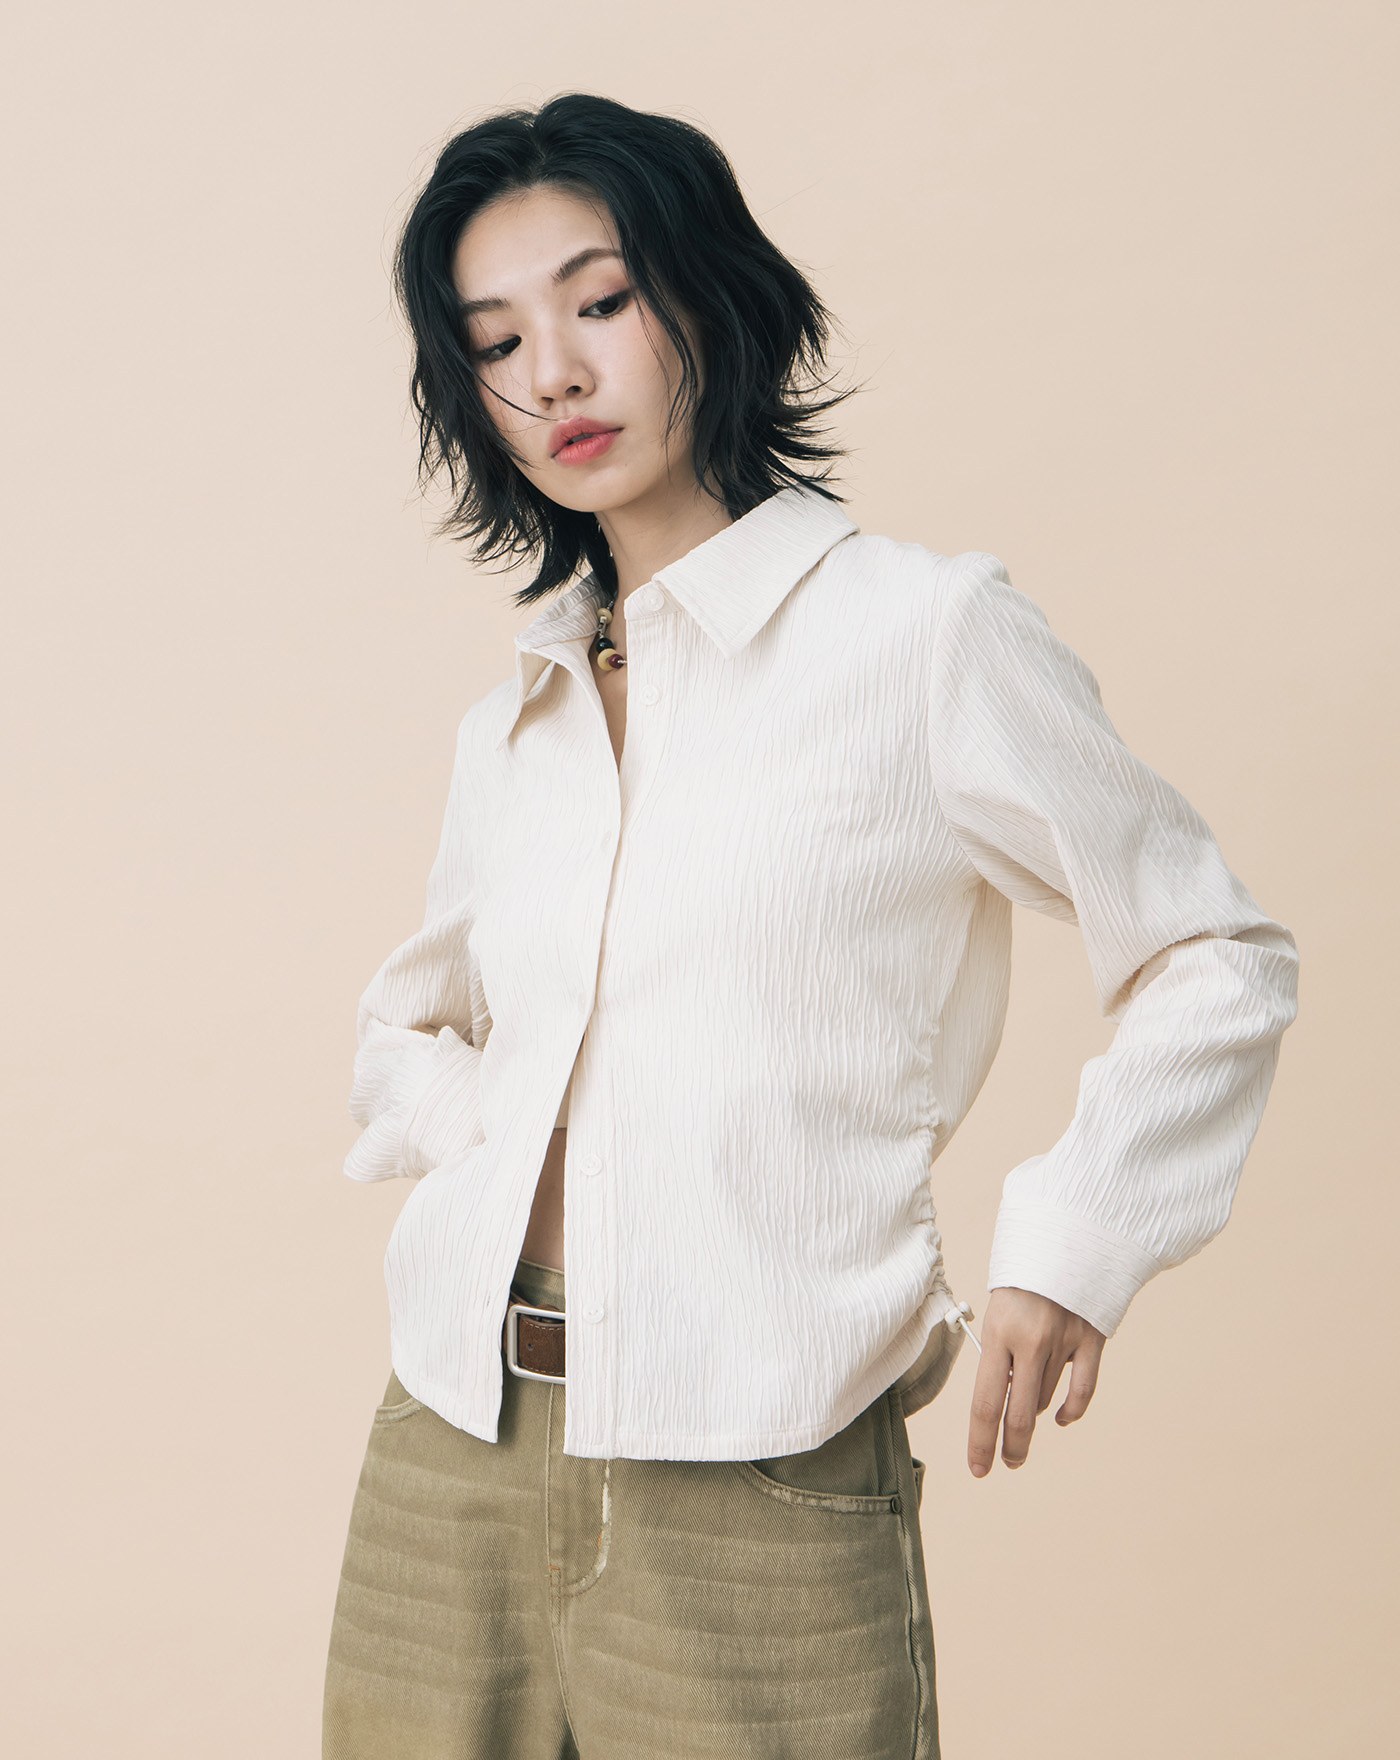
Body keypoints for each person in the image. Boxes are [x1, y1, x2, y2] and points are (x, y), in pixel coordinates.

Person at [321, 92, 1300, 1760]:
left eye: (600, 302)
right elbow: (408, 1026)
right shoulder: (523, 715)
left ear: (711, 298)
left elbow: (1213, 954)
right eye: (495, 343)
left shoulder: (921, 637)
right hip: (450, 1442)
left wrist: (1076, 1243)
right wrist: (496, 1128)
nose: (553, 374)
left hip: (756, 1470)